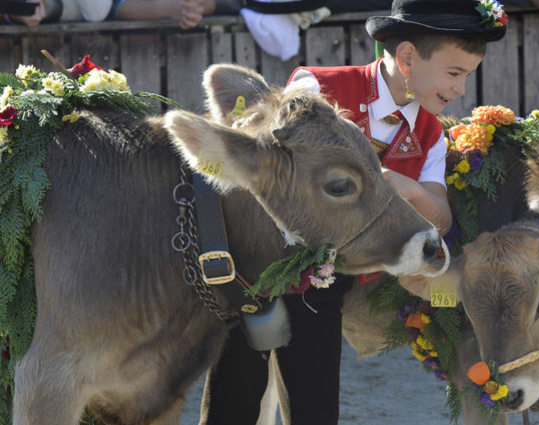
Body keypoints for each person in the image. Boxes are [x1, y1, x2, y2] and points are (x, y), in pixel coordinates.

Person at [199, 1, 507, 424]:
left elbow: (441, 219)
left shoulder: (432, 133)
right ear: (407, 58)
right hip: (261, 269)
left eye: (467, 76)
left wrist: (408, 188)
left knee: (315, 401)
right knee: (235, 394)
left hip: (326, 282)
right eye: (454, 73)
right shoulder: (316, 87)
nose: (460, 89)